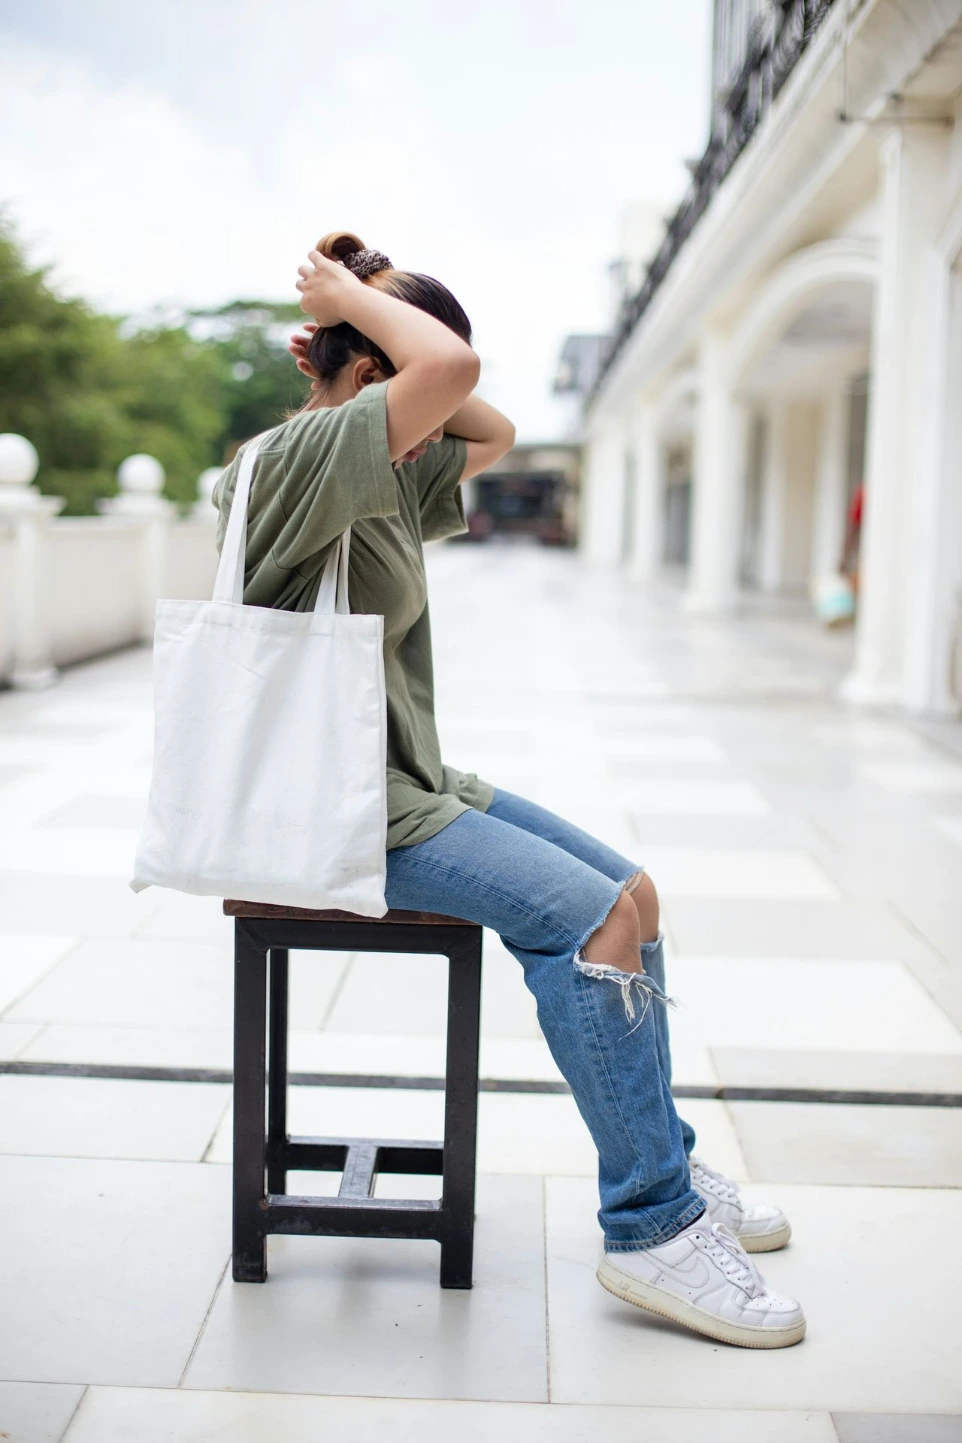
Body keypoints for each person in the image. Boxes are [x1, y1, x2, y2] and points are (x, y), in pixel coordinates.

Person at [213, 231, 806, 1349]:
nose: (444, 435)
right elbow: (455, 383)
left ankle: (659, 1159)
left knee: (631, 891)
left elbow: (487, 422)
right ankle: (651, 1230)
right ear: (377, 376)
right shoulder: (295, 464)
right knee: (588, 922)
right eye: (411, 382)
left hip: (405, 783)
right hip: (330, 814)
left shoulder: (379, 459)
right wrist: (353, 299)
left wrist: (369, 317)